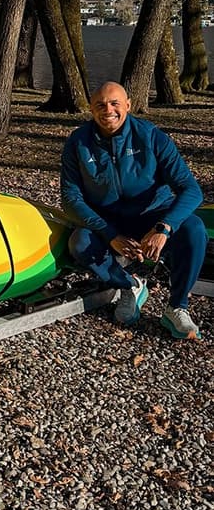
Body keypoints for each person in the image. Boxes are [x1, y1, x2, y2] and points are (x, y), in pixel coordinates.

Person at [60, 81, 206, 340]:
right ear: (91, 110)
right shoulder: (78, 142)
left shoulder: (151, 136)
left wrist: (164, 227)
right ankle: (129, 284)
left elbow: (191, 190)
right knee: (79, 242)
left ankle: (177, 307)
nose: (108, 110)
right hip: (108, 221)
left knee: (194, 228)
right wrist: (109, 234)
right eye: (100, 105)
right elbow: (70, 198)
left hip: (152, 216)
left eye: (115, 103)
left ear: (128, 104)